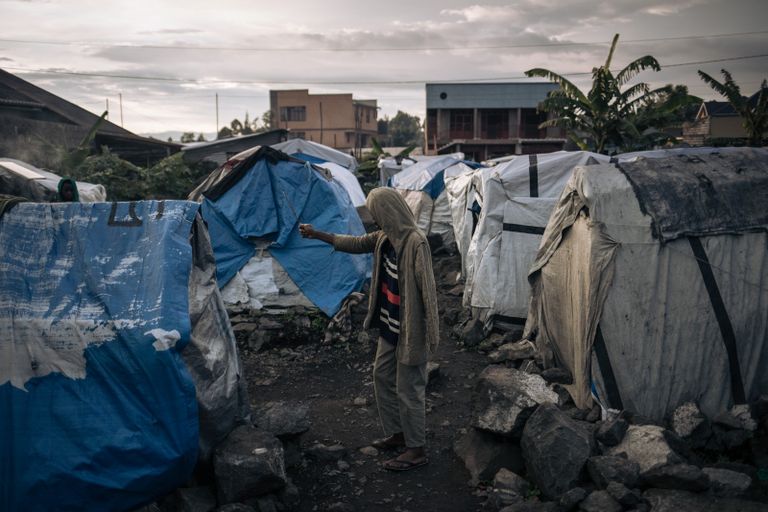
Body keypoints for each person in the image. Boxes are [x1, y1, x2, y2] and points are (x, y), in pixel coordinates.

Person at [299, 187, 439, 471]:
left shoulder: (416, 242)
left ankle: (416, 450)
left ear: (388, 211)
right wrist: (317, 234)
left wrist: (430, 335)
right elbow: (355, 243)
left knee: (409, 388)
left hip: (410, 329)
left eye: (376, 213)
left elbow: (429, 291)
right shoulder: (384, 238)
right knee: (382, 375)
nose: (374, 219)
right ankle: (399, 433)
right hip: (389, 324)